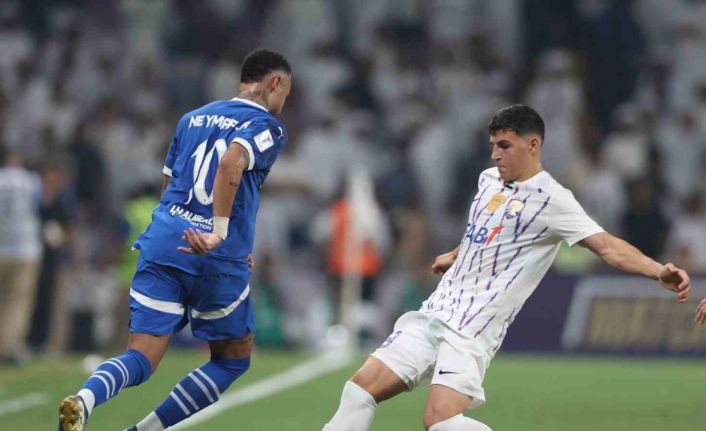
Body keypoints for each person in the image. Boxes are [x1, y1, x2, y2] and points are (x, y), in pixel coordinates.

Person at [322, 105, 691, 431]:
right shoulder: (488, 180)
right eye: (493, 145)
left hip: (472, 327)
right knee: (358, 391)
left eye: (504, 145)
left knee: (440, 422)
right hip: (434, 311)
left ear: (533, 145)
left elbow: (607, 246)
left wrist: (658, 270)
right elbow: (487, 232)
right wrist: (456, 254)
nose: (495, 154)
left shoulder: (553, 200)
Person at [58, 48, 291, 431]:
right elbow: (231, 163)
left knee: (141, 356)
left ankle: (84, 399)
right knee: (232, 359)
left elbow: (169, 187)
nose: (284, 104)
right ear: (275, 83)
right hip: (214, 255)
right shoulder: (268, 126)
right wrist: (220, 234)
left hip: (164, 240)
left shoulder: (191, 118)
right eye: (286, 94)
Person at [0, 145, 42, 364]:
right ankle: (9, 348)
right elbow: (40, 205)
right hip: (25, 248)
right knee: (18, 301)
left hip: (2, 244)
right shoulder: (30, 180)